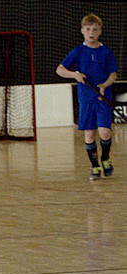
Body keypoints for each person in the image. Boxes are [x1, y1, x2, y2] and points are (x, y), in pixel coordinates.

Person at [57, 14, 119, 180]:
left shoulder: (106, 51)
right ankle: (95, 166)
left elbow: (113, 74)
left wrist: (105, 85)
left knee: (105, 132)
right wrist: (74, 75)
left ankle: (105, 158)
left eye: (95, 29)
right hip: (86, 100)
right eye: (88, 29)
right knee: (90, 135)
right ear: (82, 31)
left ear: (100, 32)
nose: (91, 32)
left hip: (102, 99)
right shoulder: (78, 51)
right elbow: (60, 70)